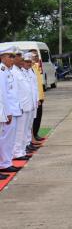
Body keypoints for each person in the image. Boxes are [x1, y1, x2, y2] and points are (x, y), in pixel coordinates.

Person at [0, 46, 23, 174]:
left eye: (13, 56)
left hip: (12, 109)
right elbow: (2, 94)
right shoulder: (2, 71)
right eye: (10, 56)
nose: (12, 59)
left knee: (9, 139)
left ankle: (7, 162)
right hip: (6, 111)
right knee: (5, 139)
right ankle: (4, 164)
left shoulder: (7, 71)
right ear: (2, 57)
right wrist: (7, 113)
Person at [11, 51, 35, 161]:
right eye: (21, 60)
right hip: (20, 107)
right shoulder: (14, 72)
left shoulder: (21, 71)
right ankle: (17, 152)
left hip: (27, 105)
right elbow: (14, 92)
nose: (22, 62)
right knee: (19, 131)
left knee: (24, 130)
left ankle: (22, 150)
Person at [30, 50, 46, 142]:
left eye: (37, 56)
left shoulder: (36, 67)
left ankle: (36, 134)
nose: (36, 58)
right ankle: (33, 136)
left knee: (39, 117)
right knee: (34, 118)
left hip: (40, 96)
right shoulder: (30, 68)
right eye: (34, 56)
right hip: (35, 98)